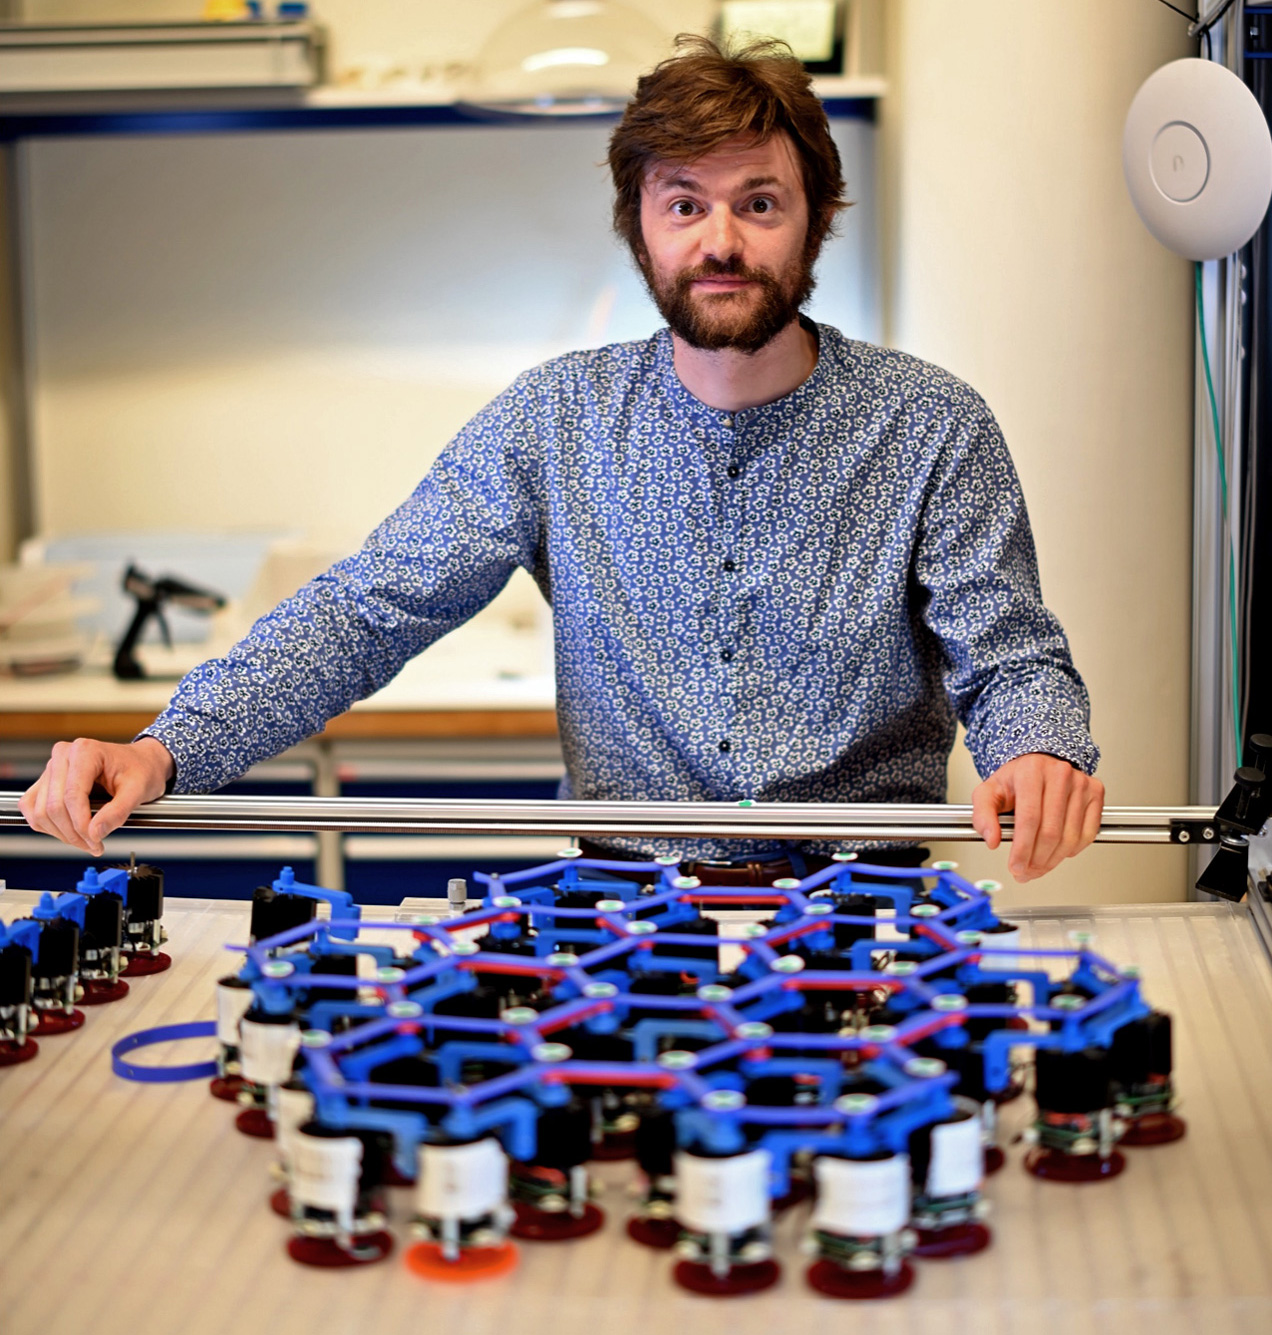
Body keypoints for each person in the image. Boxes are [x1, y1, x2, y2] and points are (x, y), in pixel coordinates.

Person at [19, 36, 1104, 884]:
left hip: (866, 917)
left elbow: (1008, 657)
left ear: (812, 219)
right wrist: (167, 749)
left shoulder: (932, 425)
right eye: (684, 203)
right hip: (627, 920)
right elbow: (367, 609)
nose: (719, 241)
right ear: (640, 226)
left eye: (757, 203)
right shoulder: (553, 422)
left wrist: (1040, 748)